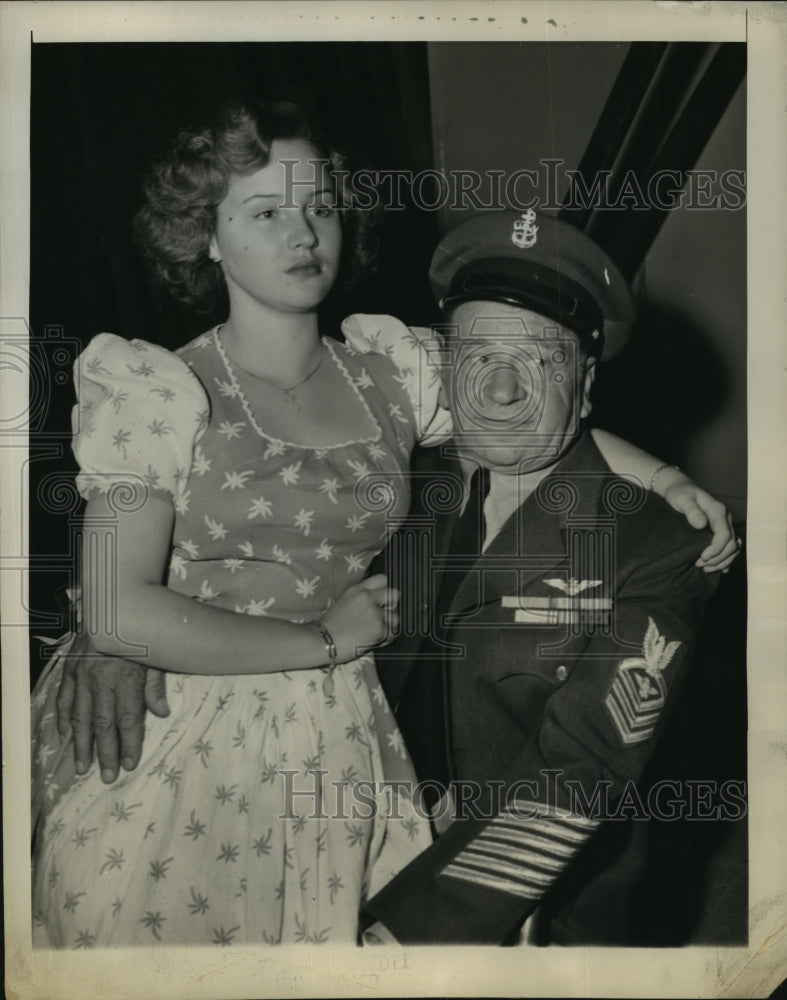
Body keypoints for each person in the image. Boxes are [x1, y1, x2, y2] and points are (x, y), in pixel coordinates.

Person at [33, 99, 737, 948]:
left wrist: (664, 476)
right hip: (187, 723)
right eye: (264, 213)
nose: (302, 235)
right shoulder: (153, 389)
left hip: (339, 735)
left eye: (319, 208)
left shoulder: (392, 376)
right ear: (204, 235)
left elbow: (524, 394)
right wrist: (117, 635)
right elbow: (115, 605)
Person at [359, 210, 741, 945]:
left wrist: (414, 933)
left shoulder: (651, 547)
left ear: (585, 384)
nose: (501, 389)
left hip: (517, 910)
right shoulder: (389, 490)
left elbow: (581, 767)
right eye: (476, 355)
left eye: (539, 359)